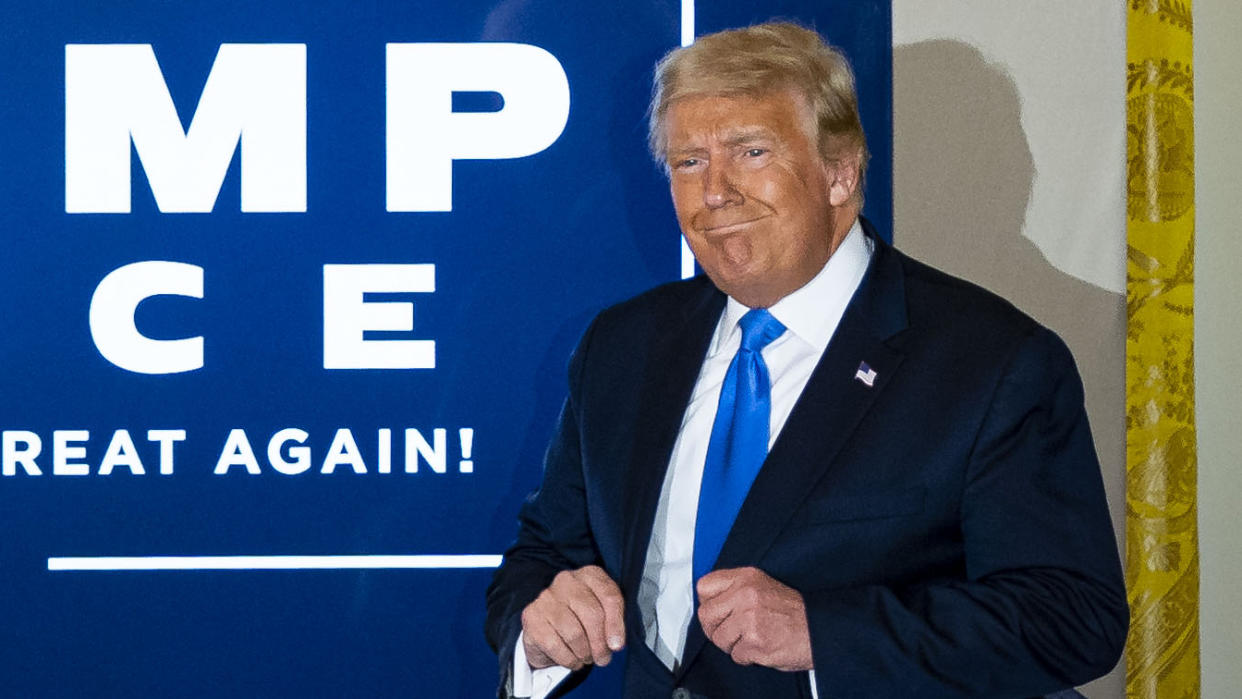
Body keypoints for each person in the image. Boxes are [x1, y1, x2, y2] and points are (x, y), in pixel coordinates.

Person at [485, 21, 1127, 699]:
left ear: (840, 174)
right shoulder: (621, 348)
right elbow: (545, 556)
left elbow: (1072, 615)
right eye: (688, 162)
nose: (715, 192)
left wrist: (823, 633)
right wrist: (542, 625)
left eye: (751, 151)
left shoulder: (992, 363)